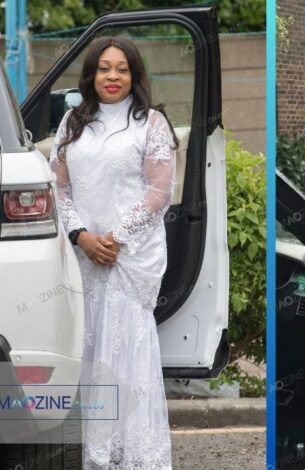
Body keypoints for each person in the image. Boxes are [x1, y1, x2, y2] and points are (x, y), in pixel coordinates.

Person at [49, 37, 177, 469]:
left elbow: (160, 191)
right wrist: (82, 236)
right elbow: (59, 189)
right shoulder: (72, 122)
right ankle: (96, 456)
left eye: (122, 69)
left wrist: (115, 239)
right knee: (88, 353)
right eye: (104, 68)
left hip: (129, 260)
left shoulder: (151, 123)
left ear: (134, 75)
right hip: (83, 258)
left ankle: (134, 457)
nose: (112, 76)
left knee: (125, 355)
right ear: (91, 74)